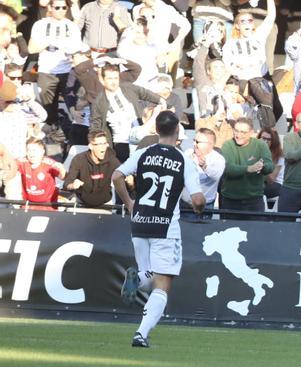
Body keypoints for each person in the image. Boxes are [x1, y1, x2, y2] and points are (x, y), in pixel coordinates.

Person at [112, 111, 205, 348]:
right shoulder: (183, 160)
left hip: (140, 220)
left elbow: (116, 176)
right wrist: (199, 209)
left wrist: (130, 204)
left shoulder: (143, 154)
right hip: (165, 225)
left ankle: (136, 279)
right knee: (163, 282)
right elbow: (197, 199)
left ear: (156, 130)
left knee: (149, 272)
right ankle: (141, 334)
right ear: (177, 132)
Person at [90, 63, 165, 162]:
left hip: (141, 136)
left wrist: (161, 100)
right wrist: (96, 144)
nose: (113, 82)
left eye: (115, 78)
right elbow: (95, 125)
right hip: (121, 141)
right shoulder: (99, 102)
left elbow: (144, 92)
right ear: (103, 80)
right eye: (110, 79)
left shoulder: (127, 88)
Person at [219, 117, 274, 219]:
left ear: (251, 133)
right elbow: (227, 168)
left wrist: (262, 166)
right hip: (230, 200)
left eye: (243, 132)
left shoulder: (260, 145)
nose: (239, 135)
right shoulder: (228, 145)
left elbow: (270, 166)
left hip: (254, 200)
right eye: (236, 131)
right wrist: (249, 169)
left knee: (256, 233)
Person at [62, 130, 120, 210]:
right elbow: (66, 185)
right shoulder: (79, 159)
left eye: (105, 143)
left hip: (105, 205)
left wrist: (129, 179)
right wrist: (73, 185)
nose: (103, 147)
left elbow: (124, 175)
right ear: (91, 146)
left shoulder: (112, 160)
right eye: (99, 144)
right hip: (81, 204)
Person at [182, 128, 225, 221]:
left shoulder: (218, 159)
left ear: (210, 144)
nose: (194, 144)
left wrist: (204, 166)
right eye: (194, 140)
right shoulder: (188, 153)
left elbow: (216, 175)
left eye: (197, 142)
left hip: (205, 206)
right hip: (185, 204)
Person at [18, 140, 63, 211]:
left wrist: (62, 169)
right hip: (27, 204)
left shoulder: (50, 163)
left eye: (34, 150)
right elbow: (8, 166)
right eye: (28, 150)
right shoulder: (22, 162)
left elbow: (63, 178)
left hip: (48, 205)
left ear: (42, 152)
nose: (31, 153)